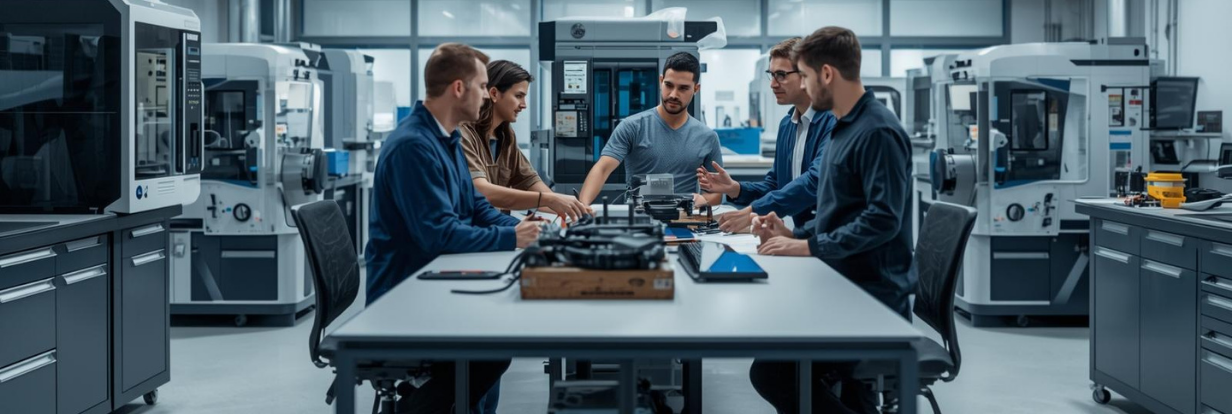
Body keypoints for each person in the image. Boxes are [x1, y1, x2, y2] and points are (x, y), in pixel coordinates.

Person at [365, 43, 540, 414]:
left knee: (497, 341)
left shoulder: (447, 139)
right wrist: (511, 237)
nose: (485, 95)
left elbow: (475, 208)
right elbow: (439, 235)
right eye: (481, 86)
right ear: (459, 88)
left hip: (431, 278)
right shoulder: (413, 146)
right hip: (404, 293)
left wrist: (526, 231)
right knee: (491, 349)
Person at [748, 27, 915, 414]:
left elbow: (881, 221)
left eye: (802, 75)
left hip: (871, 297)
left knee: (773, 374)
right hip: (842, 282)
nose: (801, 85)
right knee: (776, 364)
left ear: (826, 75)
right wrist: (793, 233)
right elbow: (837, 211)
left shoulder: (877, 131)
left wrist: (808, 246)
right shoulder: (843, 128)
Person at [697, 37, 836, 233]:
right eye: (771, 75)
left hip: (834, 238)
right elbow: (775, 185)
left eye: (781, 75)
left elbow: (815, 182)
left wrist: (752, 211)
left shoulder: (833, 123)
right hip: (804, 235)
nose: (773, 84)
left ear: (806, 75)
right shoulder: (788, 125)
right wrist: (735, 188)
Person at [577, 52, 724, 207]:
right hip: (639, 221)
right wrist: (582, 206)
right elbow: (603, 168)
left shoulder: (707, 137)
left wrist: (703, 200)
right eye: (669, 85)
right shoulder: (632, 126)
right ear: (661, 81)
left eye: (683, 88)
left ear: (696, 88)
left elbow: (716, 194)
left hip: (685, 223)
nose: (674, 94)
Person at [459, 60, 591, 222]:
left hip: (497, 230)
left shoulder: (506, 137)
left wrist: (576, 209)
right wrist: (549, 199)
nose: (524, 105)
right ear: (494, 94)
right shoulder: (462, 133)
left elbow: (529, 182)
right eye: (518, 96)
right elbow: (480, 191)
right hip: (470, 235)